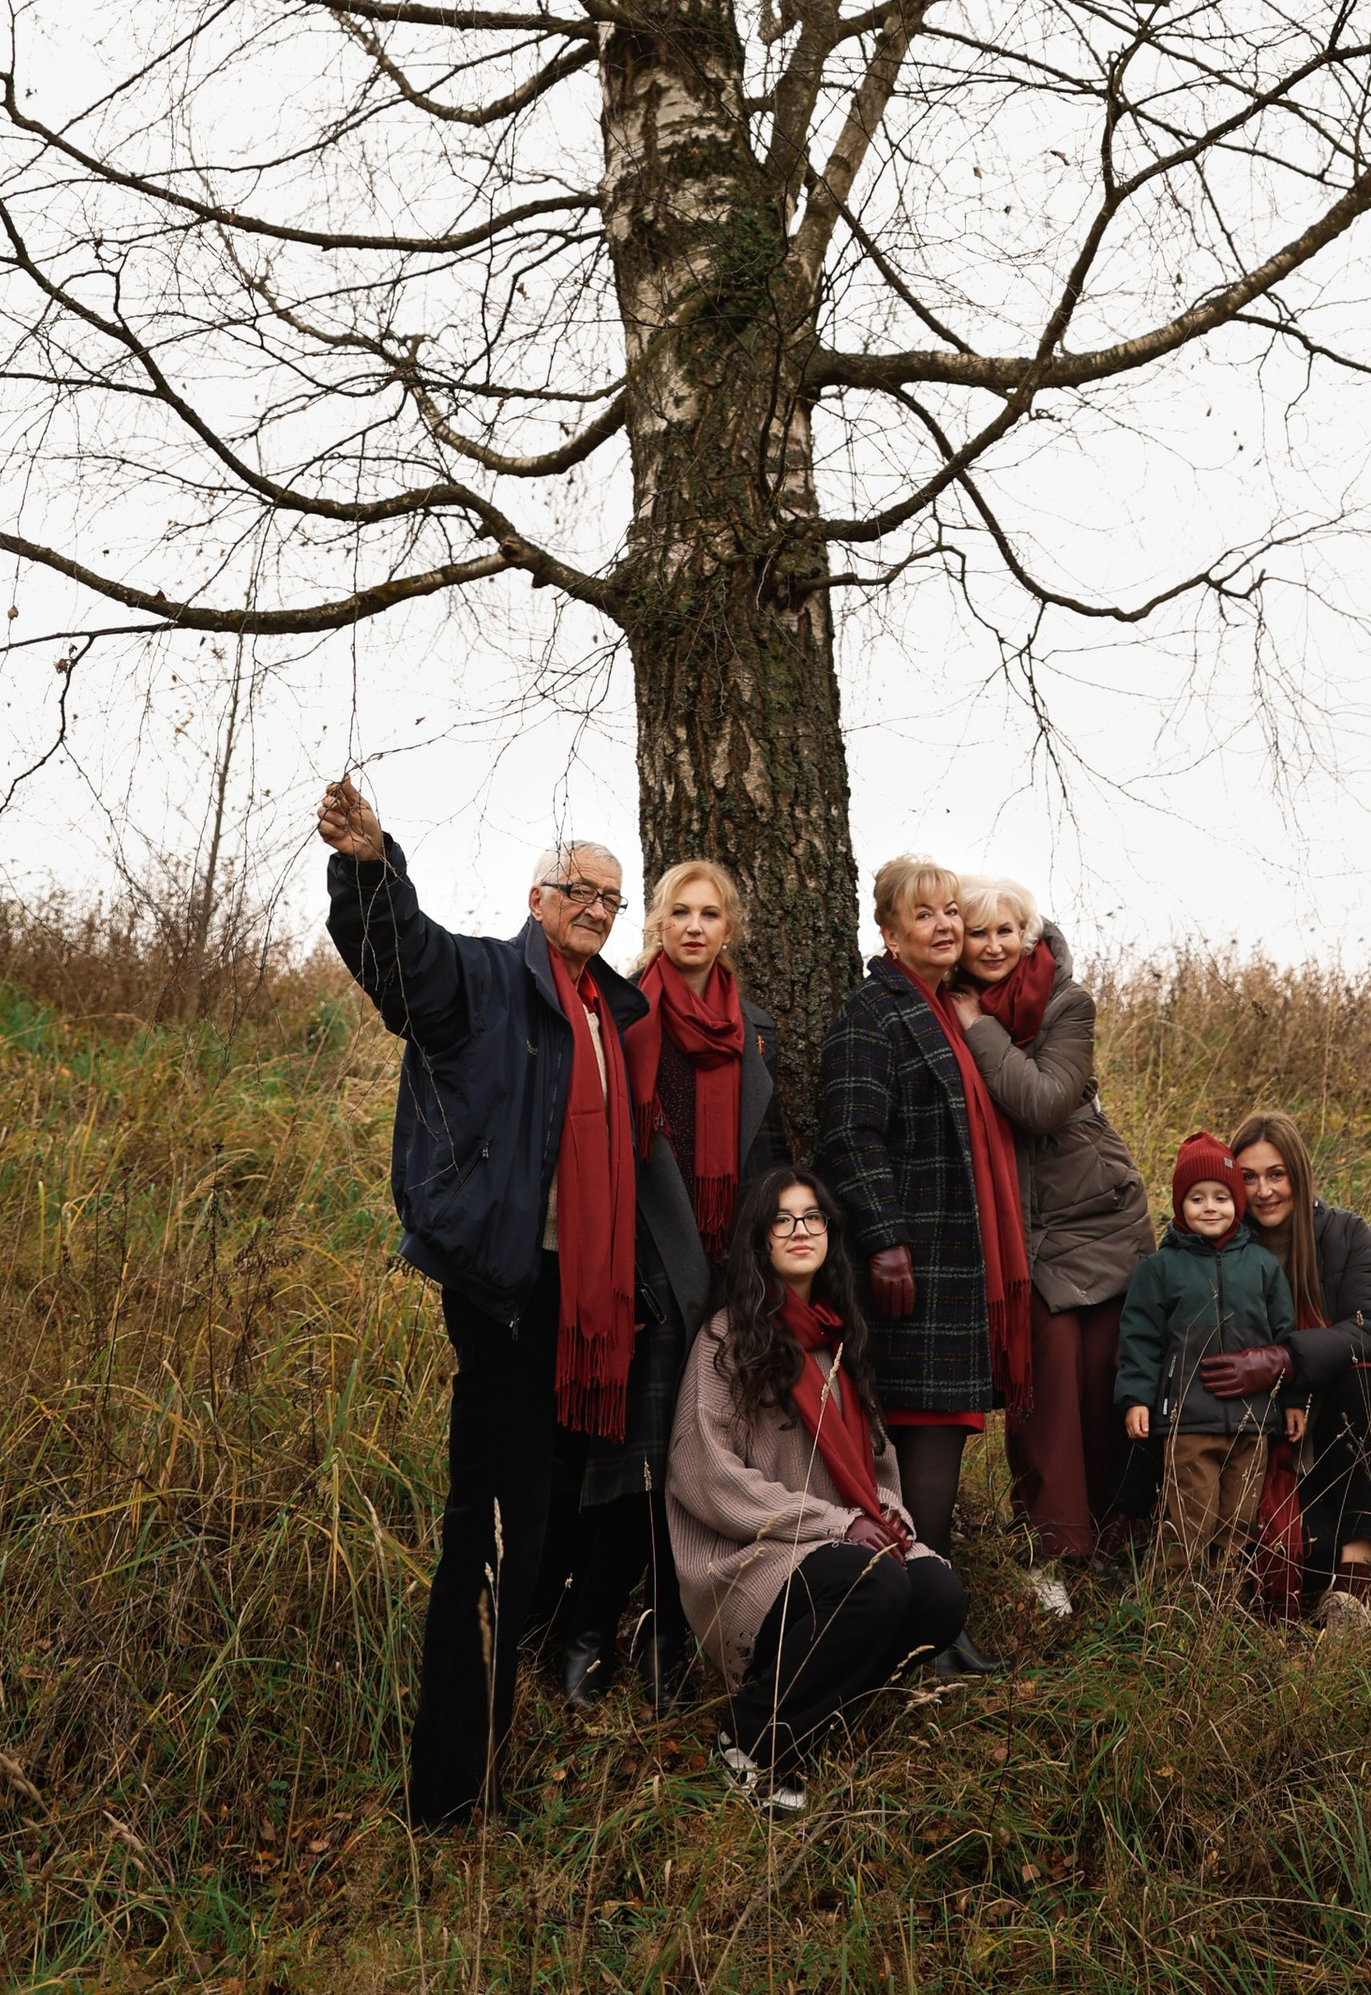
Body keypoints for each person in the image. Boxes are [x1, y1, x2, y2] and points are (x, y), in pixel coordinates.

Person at [316, 777, 711, 1825]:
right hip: (504, 1296)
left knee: (535, 1529)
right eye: (576, 888)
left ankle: (488, 1755)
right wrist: (370, 867)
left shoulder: (605, 1012)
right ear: (537, 898)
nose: (593, 906)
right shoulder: (487, 982)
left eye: (608, 898)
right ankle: (449, 1797)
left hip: (581, 1310)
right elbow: (400, 958)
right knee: (489, 1531)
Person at [666, 1167, 967, 1815]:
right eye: (784, 1219)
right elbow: (701, 1471)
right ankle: (749, 1736)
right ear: (760, 1238)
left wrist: (890, 1514)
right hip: (754, 1550)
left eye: (813, 1218)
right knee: (875, 1582)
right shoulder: (730, 1337)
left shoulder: (839, 1335)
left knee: (939, 1595)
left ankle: (808, 1724)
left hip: (833, 1543)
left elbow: (878, 1464)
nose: (801, 1231)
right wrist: (832, 1521)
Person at [815, 856, 1027, 1655]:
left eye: (951, 913)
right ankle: (932, 1629)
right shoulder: (874, 1013)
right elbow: (849, 1133)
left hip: (953, 1265)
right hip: (913, 1267)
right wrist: (886, 1241)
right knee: (924, 1439)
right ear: (889, 931)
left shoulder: (943, 1011)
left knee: (939, 1440)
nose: (945, 926)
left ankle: (931, 1619)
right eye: (925, 914)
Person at [951, 876, 1153, 1604]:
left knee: (1106, 1385)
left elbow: (1042, 1103)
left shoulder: (1067, 1002)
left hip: (1095, 1216)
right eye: (979, 933)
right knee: (1042, 1393)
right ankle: (1053, 1551)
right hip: (1017, 1234)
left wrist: (981, 1030)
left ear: (1030, 935)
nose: (996, 945)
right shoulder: (945, 1005)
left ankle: (1121, 1540)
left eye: (1008, 930)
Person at [618, 860, 789, 1695]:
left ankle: (709, 1618)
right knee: (649, 1458)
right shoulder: (625, 1016)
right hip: (653, 1268)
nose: (693, 926)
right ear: (657, 923)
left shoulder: (751, 1026)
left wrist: (759, 1273)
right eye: (679, 912)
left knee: (719, 1450)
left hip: (729, 1274)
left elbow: (767, 1157)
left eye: (710, 913)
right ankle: (647, 1630)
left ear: (730, 929)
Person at [1229, 1109, 1371, 1623]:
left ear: (1299, 1174)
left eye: (1276, 1174)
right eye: (1249, 1178)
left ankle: (1354, 1582)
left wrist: (1287, 1359)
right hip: (1260, 1433)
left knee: (1363, 1381)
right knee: (1299, 1552)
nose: (1264, 1191)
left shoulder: (1344, 1234)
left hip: (1335, 1435)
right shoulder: (1221, 1245)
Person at [1114, 1132, 1303, 1567]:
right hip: (1188, 1421)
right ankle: (1173, 1603)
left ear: (1237, 1202)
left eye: (1221, 1196)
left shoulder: (1262, 1266)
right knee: (1189, 1517)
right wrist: (1136, 1399)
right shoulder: (1160, 1269)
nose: (1210, 1207)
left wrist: (1291, 1401)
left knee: (1238, 1522)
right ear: (1180, 1205)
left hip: (1252, 1422)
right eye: (1197, 1198)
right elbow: (1140, 1338)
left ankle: (1222, 1603)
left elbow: (1285, 1341)